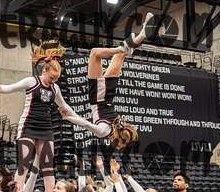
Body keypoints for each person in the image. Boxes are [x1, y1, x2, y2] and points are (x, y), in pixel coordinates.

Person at [0, 41, 76, 192]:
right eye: (51, 77)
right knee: (23, 165)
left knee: (48, 168)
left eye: (56, 79)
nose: (53, 81)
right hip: (28, 125)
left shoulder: (55, 89)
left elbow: (64, 106)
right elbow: (10, 88)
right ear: (45, 70)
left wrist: (77, 118)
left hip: (46, 128)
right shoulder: (31, 82)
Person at [58, 14, 155, 150]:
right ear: (118, 140)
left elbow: (84, 122)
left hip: (108, 96)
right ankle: (122, 48)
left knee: (119, 56)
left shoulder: (117, 127)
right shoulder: (103, 132)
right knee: (95, 53)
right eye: (119, 146)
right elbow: (84, 124)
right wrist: (67, 118)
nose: (118, 148)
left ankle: (141, 35)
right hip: (99, 97)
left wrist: (69, 114)